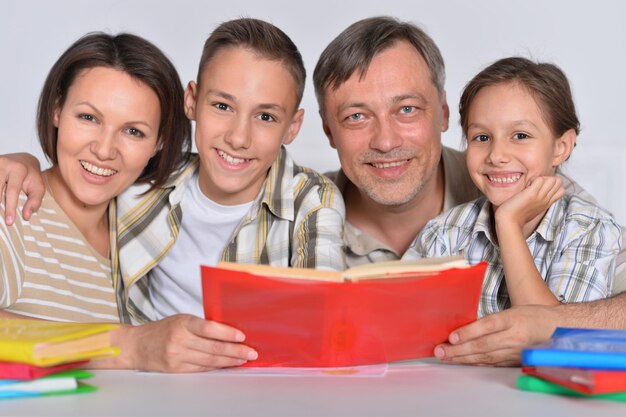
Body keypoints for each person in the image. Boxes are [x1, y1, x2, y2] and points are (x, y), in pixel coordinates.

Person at [0, 18, 345, 371]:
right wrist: (129, 346)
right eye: (88, 117)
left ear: (159, 142)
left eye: (133, 131)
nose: (105, 150)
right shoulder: (15, 208)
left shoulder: (130, 204)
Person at [406, 57, 620, 318]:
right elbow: (402, 322)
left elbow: (553, 337)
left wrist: (508, 224)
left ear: (560, 147)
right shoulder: (444, 233)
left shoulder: (589, 230)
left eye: (520, 136)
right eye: (481, 137)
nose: (496, 155)